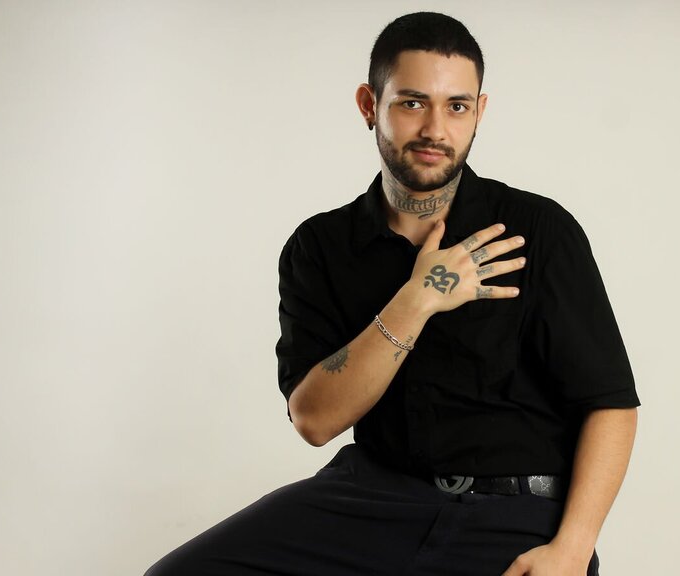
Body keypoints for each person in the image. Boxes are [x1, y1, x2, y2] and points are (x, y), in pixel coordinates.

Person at [146, 12, 639, 576]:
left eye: (457, 106)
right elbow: (314, 420)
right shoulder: (320, 246)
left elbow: (611, 405)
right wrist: (418, 298)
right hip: (372, 503)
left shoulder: (537, 230)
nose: (435, 129)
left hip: (514, 514)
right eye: (412, 103)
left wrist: (571, 550)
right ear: (369, 105)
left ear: (479, 112)